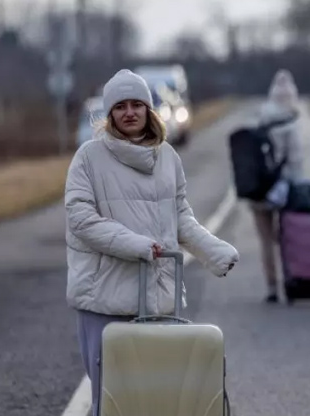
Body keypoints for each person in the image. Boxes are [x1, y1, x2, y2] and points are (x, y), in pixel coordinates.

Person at [64, 69, 240, 416]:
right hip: (106, 299)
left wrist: (213, 252)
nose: (129, 113)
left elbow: (181, 217)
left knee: (158, 399)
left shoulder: (167, 157)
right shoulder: (89, 157)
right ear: (109, 113)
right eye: (120, 107)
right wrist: (137, 245)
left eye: (137, 105)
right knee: (112, 399)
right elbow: (81, 220)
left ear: (149, 109)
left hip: (158, 298)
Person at [250, 69, 303, 304]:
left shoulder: (262, 116)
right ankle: (291, 279)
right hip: (284, 189)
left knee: (265, 240)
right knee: (288, 236)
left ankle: (272, 286)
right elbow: (295, 160)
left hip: (259, 189)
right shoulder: (291, 122)